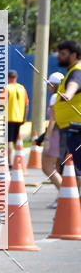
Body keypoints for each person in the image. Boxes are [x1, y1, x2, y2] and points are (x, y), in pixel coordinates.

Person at [53, 39, 81, 192]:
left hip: (75, 129)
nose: (59, 56)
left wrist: (68, 94)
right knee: (68, 167)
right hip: (69, 128)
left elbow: (74, 84)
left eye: (63, 54)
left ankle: (74, 208)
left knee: (74, 169)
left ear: (73, 55)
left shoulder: (77, 71)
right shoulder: (72, 71)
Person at [40, 72, 64, 207]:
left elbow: (53, 120)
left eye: (50, 85)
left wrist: (47, 139)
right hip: (62, 134)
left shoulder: (55, 97)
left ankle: (65, 195)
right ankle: (63, 196)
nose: (48, 87)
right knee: (56, 167)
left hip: (55, 134)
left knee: (46, 166)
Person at [6, 69, 29, 168]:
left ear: (8, 78)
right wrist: (24, 118)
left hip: (9, 118)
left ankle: (9, 163)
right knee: (17, 141)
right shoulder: (22, 88)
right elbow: (26, 104)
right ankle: (19, 162)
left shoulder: (6, 88)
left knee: (9, 141)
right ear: (16, 77)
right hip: (19, 118)